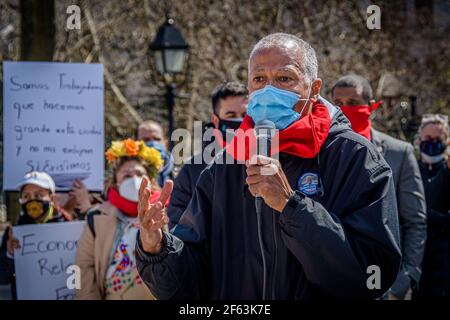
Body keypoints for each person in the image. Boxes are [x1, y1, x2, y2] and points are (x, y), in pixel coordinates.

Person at [135, 33, 402, 300]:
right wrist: (157, 248)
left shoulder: (354, 156)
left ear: (314, 88)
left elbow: (370, 276)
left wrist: (292, 206)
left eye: (284, 78)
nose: (268, 90)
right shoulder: (225, 166)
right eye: (259, 79)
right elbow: (188, 286)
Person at [331, 74, 427, 300]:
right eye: (338, 104)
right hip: (333, 280)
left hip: (384, 284)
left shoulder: (399, 153)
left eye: (353, 103)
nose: (344, 110)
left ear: (371, 107)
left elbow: (415, 221)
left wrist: (404, 280)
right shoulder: (319, 151)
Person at [75, 139, 167, 300]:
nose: (134, 180)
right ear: (115, 182)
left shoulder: (167, 214)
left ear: (151, 182)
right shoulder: (96, 217)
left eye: (140, 174)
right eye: (127, 176)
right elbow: (83, 267)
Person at [168, 81, 248, 228]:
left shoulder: (268, 162)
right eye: (231, 115)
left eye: (245, 115)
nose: (240, 121)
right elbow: (179, 228)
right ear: (216, 120)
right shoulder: (193, 169)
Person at [0, 171, 67, 299]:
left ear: (51, 198)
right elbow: (3, 278)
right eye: (26, 196)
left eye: (39, 195)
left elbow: (78, 273)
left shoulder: (68, 229)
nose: (32, 201)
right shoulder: (13, 233)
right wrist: (9, 255)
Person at [413, 114, 450, 299]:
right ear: (419, 140)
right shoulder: (409, 170)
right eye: (428, 139)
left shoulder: (447, 171)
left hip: (442, 259)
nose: (432, 143)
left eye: (438, 139)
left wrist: (424, 216)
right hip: (414, 254)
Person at [137, 120, 174, 187]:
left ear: (165, 144)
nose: (153, 143)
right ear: (137, 144)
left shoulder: (180, 173)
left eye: (157, 139)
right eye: (146, 140)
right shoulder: (131, 173)